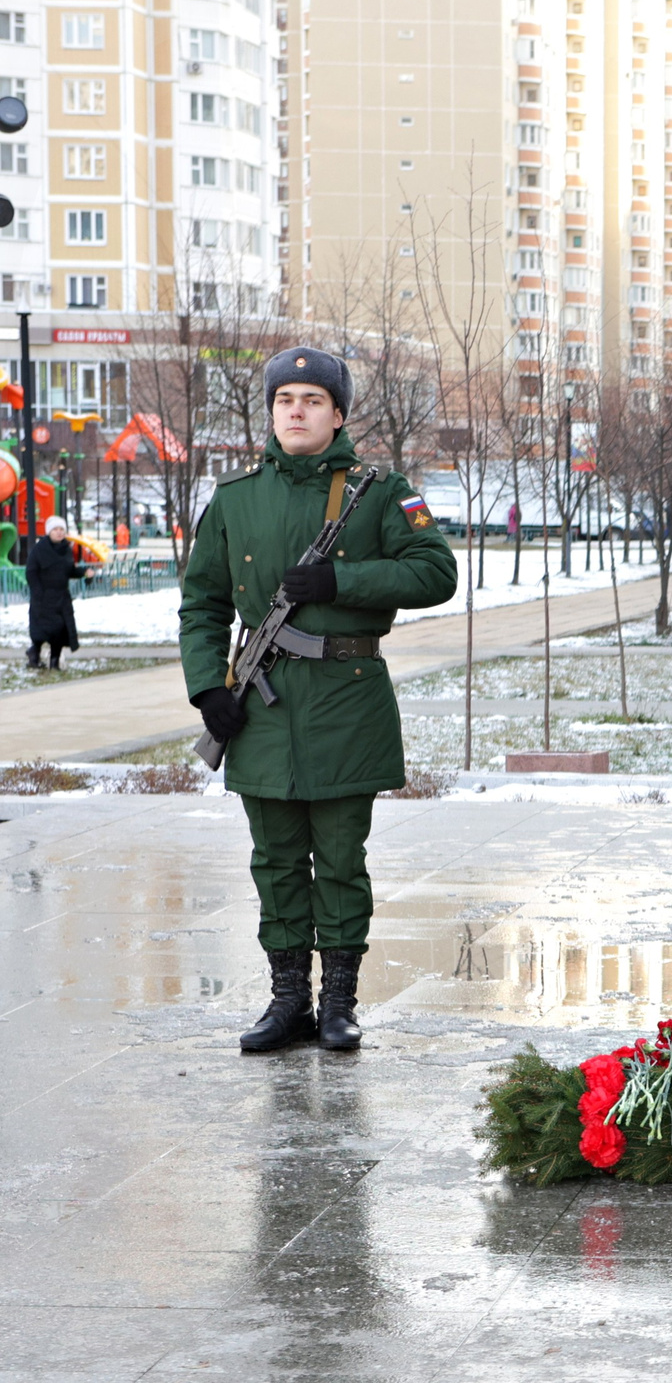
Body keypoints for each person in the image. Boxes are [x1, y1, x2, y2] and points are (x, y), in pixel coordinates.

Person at [178, 347, 457, 1054]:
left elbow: (435, 572)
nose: (295, 411)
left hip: (346, 702)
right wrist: (209, 687)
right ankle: (286, 1002)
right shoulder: (237, 498)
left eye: (310, 399)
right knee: (274, 860)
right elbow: (202, 603)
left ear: (337, 413)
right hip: (260, 708)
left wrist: (342, 582)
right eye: (284, 400)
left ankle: (337, 1004)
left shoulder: (380, 490)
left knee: (339, 859)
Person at [25, 515, 87, 669]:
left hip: (61, 598)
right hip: (43, 598)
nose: (59, 533)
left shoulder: (66, 549)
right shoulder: (39, 550)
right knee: (41, 631)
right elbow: (31, 572)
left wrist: (83, 572)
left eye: (62, 530)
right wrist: (38, 593)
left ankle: (54, 662)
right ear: (49, 532)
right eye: (55, 529)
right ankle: (34, 655)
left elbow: (68, 570)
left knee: (60, 631)